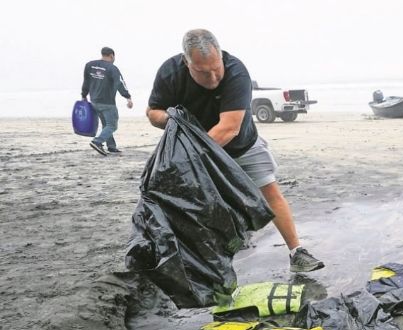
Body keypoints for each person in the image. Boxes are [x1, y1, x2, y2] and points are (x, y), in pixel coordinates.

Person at [146, 29, 324, 273]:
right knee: (203, 208)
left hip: (240, 145)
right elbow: (152, 112)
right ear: (186, 63)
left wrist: (193, 161)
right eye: (202, 71)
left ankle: (297, 252)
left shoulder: (236, 71)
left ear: (221, 56)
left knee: (270, 193)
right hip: (196, 150)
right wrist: (172, 119)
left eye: (216, 67)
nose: (213, 77)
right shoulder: (169, 73)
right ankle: (209, 266)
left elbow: (228, 128)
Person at [81, 47, 133, 155]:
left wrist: (84, 95)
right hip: (107, 103)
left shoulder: (89, 65)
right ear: (112, 56)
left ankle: (111, 146)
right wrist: (128, 97)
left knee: (106, 124)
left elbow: (86, 81)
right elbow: (120, 83)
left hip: (94, 101)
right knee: (112, 125)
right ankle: (97, 142)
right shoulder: (112, 68)